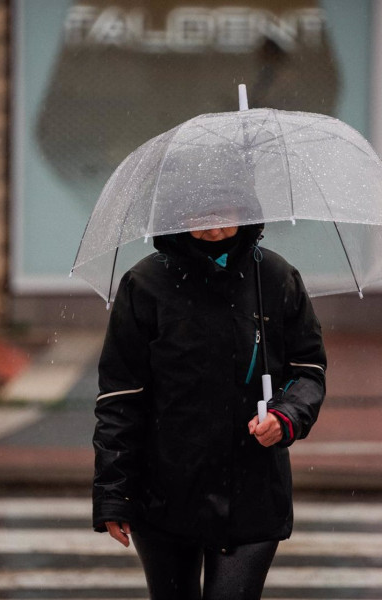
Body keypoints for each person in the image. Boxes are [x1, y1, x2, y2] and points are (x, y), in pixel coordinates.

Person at [92, 220, 326, 600]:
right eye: (200, 214)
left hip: (253, 492)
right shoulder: (145, 284)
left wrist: (287, 416)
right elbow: (120, 399)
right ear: (177, 212)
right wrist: (113, 496)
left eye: (224, 211)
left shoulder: (274, 276)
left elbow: (308, 370)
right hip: (164, 495)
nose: (214, 227)